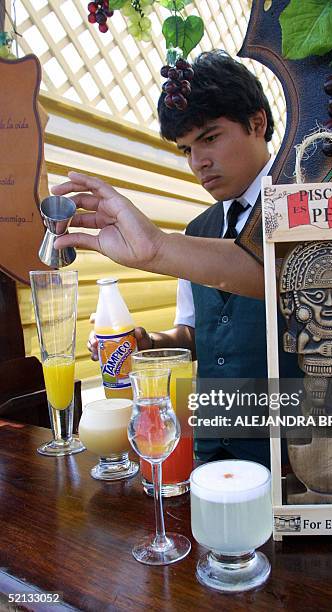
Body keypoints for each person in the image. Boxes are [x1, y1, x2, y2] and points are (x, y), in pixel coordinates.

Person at [53, 50, 301, 466]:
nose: (198, 163)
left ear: (257, 123)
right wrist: (147, 343)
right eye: (186, 149)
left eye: (209, 138)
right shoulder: (196, 230)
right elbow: (192, 334)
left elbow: (280, 275)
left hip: (293, 449)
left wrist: (155, 248)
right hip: (209, 447)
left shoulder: (305, 204)